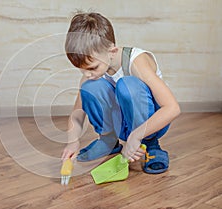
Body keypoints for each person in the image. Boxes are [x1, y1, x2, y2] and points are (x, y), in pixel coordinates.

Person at [61, 12, 180, 174]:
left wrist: (136, 136)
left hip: (150, 125)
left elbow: (172, 108)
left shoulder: (136, 62)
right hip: (123, 126)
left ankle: (150, 145)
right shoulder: (91, 74)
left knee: (127, 85)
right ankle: (108, 141)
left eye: (92, 68)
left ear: (112, 51)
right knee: (89, 87)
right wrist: (72, 141)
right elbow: (77, 114)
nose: (87, 74)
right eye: (81, 70)